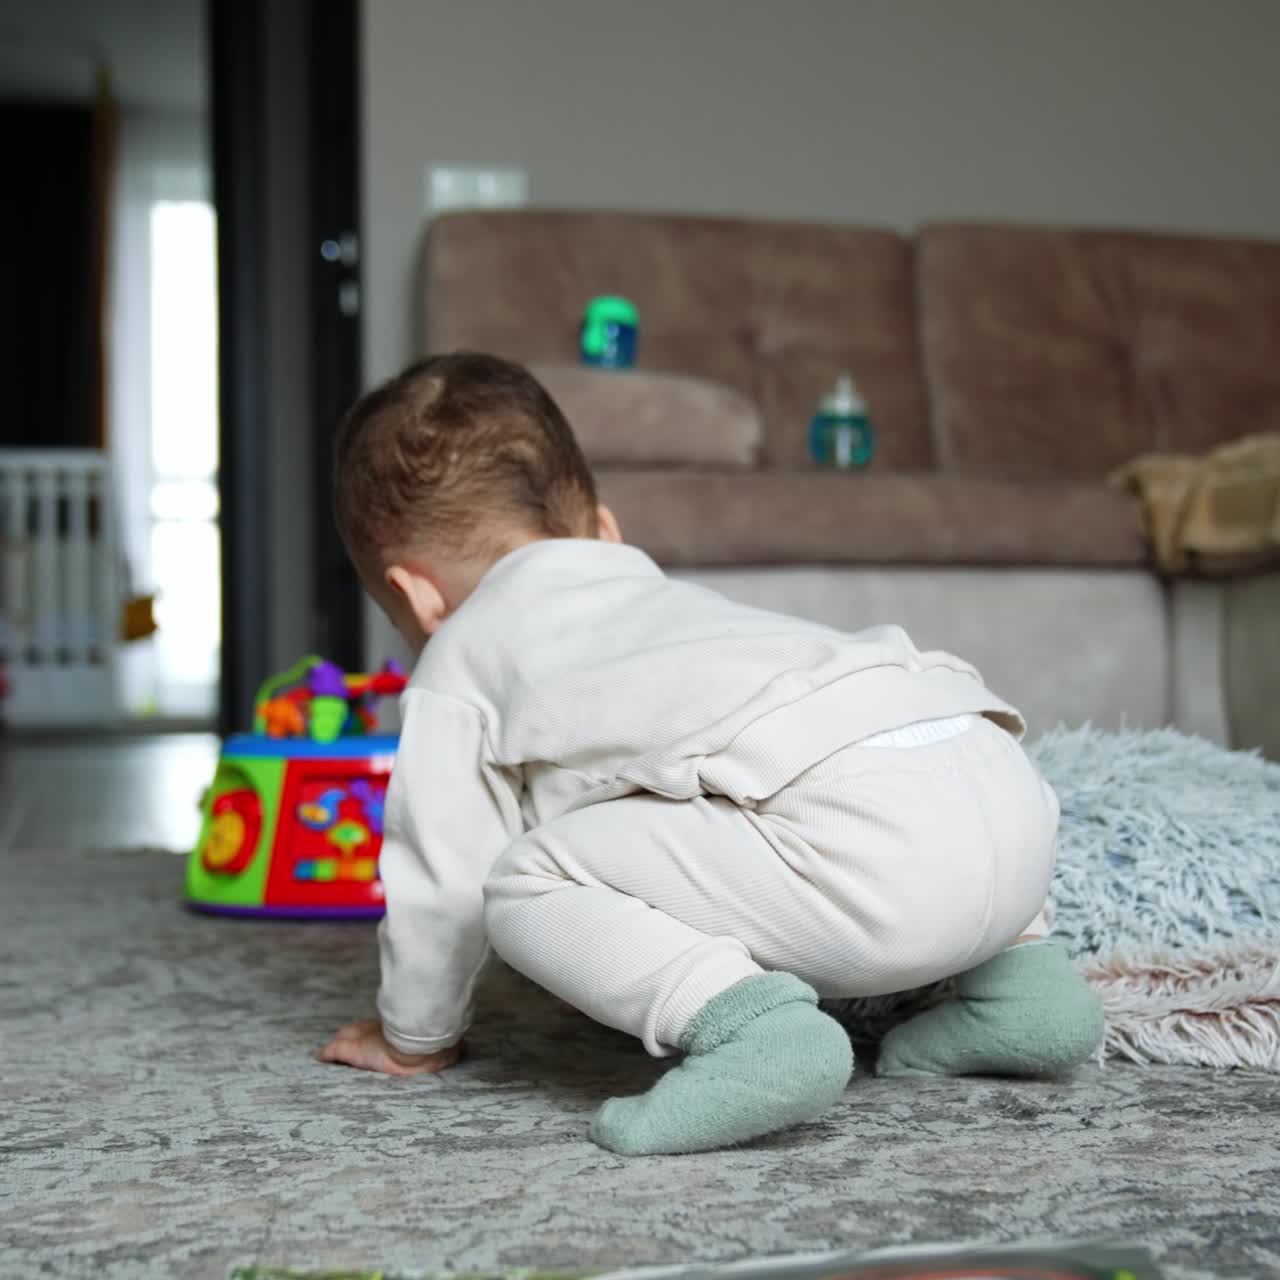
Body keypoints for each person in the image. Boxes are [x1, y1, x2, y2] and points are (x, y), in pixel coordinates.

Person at [317, 352, 1104, 1155]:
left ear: (418, 597)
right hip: (1000, 786)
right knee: (864, 762)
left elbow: (441, 878)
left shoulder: (461, 658)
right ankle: (1025, 988)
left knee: (520, 878)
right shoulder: (674, 610)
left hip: (869, 864)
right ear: (605, 529)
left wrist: (414, 1035)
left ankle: (757, 1033)